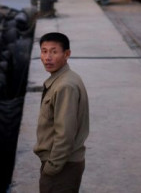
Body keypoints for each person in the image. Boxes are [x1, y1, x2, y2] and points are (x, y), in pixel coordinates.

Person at [34, 32, 89, 193]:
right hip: (63, 163)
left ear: (67, 54)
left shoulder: (65, 86)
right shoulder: (65, 79)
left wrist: (52, 167)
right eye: (44, 51)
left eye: (54, 51)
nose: (47, 57)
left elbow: (65, 133)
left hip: (62, 165)